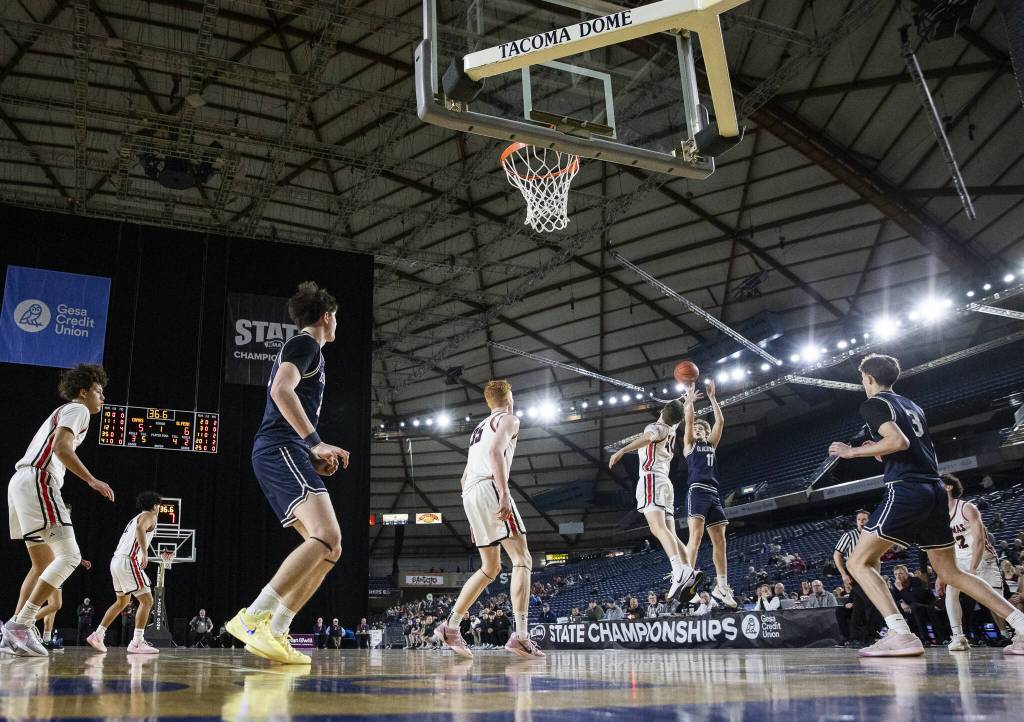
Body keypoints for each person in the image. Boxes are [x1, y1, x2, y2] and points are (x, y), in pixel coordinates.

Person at [828, 353, 1024, 656]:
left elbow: (898, 442)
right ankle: (1021, 625)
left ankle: (899, 633)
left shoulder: (874, 404)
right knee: (951, 573)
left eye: (861, 377)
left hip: (906, 489)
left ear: (868, 378)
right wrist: (876, 452)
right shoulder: (911, 405)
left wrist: (850, 452)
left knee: (857, 561)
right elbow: (906, 448)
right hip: (932, 488)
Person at [225, 283, 350, 665]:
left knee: (331, 547)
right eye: (336, 316)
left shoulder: (307, 350)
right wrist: (315, 442)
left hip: (285, 449)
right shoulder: (305, 343)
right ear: (327, 316)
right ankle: (253, 617)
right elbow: (282, 392)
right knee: (326, 535)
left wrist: (312, 456)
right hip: (279, 446)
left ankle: (277, 629)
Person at [2, 364, 114, 657]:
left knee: (41, 565)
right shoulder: (77, 410)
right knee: (71, 556)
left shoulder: (63, 412)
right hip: (39, 479)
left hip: (21, 483)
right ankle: (21, 625)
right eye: (99, 391)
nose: (102, 397)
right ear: (83, 392)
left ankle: (11, 635)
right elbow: (63, 449)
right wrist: (92, 480)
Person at [433, 380, 544, 660]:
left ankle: (451, 626)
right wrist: (504, 493)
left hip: (470, 493)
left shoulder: (478, 428)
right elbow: (496, 453)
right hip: (489, 487)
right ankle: (520, 636)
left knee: (490, 567)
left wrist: (474, 515)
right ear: (510, 397)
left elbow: (463, 477)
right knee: (522, 559)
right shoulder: (509, 418)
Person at [608, 397, 699, 603]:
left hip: (651, 478)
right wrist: (688, 402)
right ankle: (689, 573)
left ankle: (678, 571)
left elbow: (649, 437)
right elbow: (678, 416)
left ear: (663, 410)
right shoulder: (673, 428)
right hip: (665, 483)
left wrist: (623, 450)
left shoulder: (657, 426)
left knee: (657, 529)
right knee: (671, 534)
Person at [680, 380, 736, 608]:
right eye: (696, 429)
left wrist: (713, 399)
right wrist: (690, 403)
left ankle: (722, 587)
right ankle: (687, 582)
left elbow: (720, 421)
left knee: (720, 540)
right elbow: (689, 421)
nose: (698, 430)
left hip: (714, 493)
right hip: (697, 491)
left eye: (702, 428)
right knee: (695, 537)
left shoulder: (711, 445)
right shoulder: (689, 445)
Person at [86, 491, 162, 654]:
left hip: (116, 561)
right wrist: (145, 553)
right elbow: (141, 530)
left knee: (122, 602)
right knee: (147, 601)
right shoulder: (149, 516)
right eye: (158, 505)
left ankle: (97, 635)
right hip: (129, 560)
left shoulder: (135, 518)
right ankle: (137, 642)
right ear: (154, 505)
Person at [943, 474, 1011, 650]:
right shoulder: (940, 515)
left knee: (995, 601)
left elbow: (979, 540)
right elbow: (947, 546)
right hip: (960, 560)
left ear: (948, 487)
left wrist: (973, 568)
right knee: (951, 593)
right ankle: (958, 637)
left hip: (982, 558)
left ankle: (1008, 634)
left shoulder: (967, 508)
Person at [834, 509, 882, 645]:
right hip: (855, 574)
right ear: (856, 522)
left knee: (859, 606)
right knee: (872, 601)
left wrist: (877, 575)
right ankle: (871, 635)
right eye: (859, 519)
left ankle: (856, 638)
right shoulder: (849, 536)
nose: (861, 521)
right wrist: (844, 575)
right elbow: (837, 555)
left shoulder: (873, 536)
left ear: (869, 520)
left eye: (864, 519)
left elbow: (877, 558)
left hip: (870, 573)